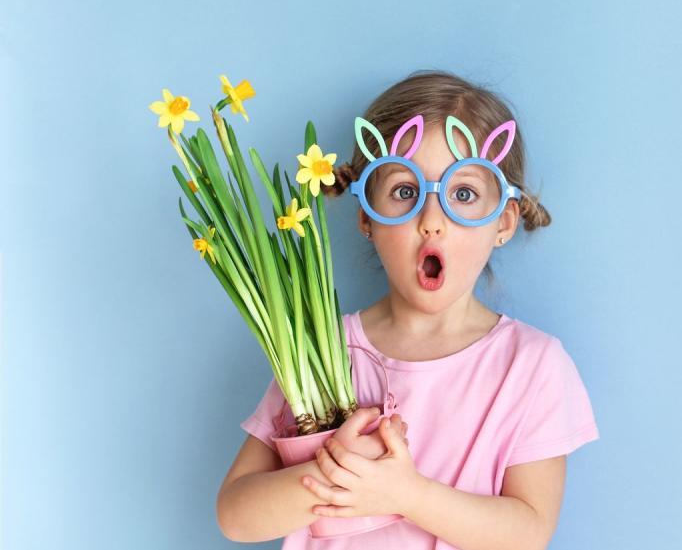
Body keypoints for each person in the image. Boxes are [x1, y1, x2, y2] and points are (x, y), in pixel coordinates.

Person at [216, 70, 600, 548]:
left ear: (503, 221)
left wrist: (405, 493)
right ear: (366, 217)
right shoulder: (318, 351)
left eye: (463, 194)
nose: (432, 222)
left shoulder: (531, 366)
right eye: (404, 191)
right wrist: (333, 472)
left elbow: (528, 532)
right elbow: (236, 514)